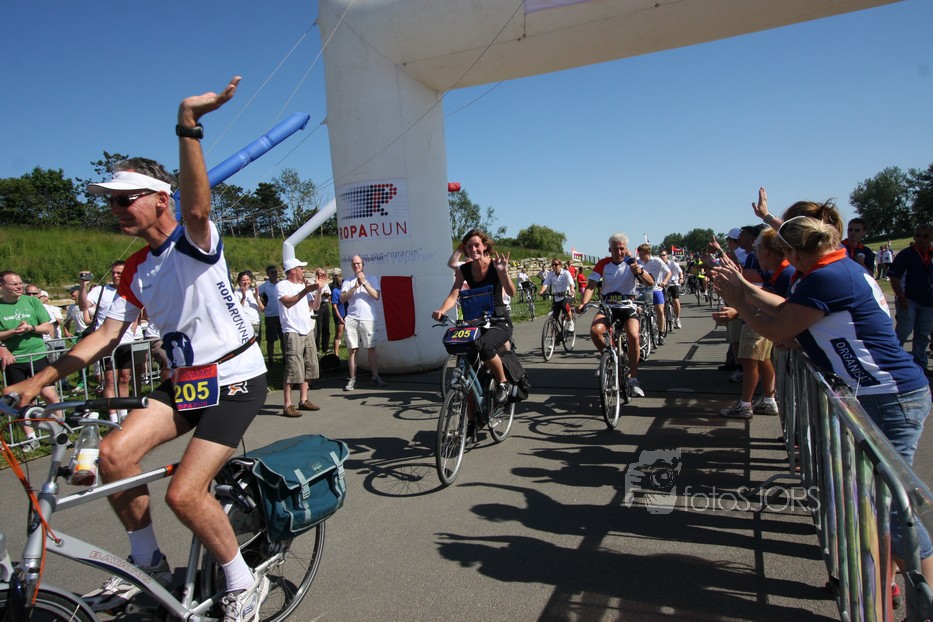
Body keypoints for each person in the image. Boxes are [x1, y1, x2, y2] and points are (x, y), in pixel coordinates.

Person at [4, 77, 272, 619]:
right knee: (112, 455)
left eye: (126, 199)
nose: (116, 208)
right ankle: (148, 565)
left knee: (184, 493)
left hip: (237, 379)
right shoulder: (133, 268)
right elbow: (104, 336)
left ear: (161, 198)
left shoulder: (193, 241)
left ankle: (243, 580)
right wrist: (38, 380)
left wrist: (188, 125)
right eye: (110, 201)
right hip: (188, 382)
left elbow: (199, 211)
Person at [712, 208, 933, 586]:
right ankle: (880, 582)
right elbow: (788, 310)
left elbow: (778, 328)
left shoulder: (828, 277)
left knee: (893, 506)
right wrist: (746, 292)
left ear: (795, 254)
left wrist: (740, 299)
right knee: (872, 499)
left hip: (889, 397)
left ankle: (920, 593)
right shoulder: (830, 269)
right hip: (878, 394)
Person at [432, 229, 516, 437]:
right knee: (468, 377)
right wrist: (442, 310)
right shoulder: (465, 270)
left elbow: (511, 292)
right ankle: (470, 424)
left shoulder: (495, 266)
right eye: (469, 246)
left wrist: (503, 273)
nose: (473, 249)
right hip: (475, 322)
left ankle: (503, 383)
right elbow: (454, 294)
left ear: (484, 246)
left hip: (498, 321)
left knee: (486, 347)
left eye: (477, 245)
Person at [576, 233, 654, 397]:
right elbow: (591, 286)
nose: (619, 252)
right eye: (615, 248)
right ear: (609, 249)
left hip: (627, 306)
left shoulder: (632, 262)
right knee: (595, 331)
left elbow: (650, 282)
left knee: (633, 336)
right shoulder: (603, 263)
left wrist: (640, 272)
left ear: (626, 249)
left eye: (622, 248)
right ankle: (608, 356)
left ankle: (633, 379)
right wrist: (583, 302)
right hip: (608, 306)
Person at [0, 272, 59, 451]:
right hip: (14, 360)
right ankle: (31, 437)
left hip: (38, 355)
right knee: (22, 401)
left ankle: (59, 430)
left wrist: (30, 328)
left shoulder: (32, 301)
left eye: (20, 283)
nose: (19, 286)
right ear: (2, 286)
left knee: (50, 395)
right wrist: (12, 333)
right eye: (14, 284)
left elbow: (47, 327)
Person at [79, 261, 138, 422]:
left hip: (126, 342)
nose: (115, 276)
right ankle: (112, 416)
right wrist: (83, 286)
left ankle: (123, 413)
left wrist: (134, 326)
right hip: (107, 342)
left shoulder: (132, 289)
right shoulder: (100, 291)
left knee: (125, 378)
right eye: (113, 273)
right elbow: (83, 306)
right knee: (110, 380)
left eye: (119, 273)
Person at [277, 257, 326, 416]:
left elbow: (315, 307)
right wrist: (306, 290)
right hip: (292, 331)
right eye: (301, 268)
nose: (303, 270)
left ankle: (303, 400)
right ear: (293, 270)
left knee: (309, 366)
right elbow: (287, 302)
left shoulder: (302, 286)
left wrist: (318, 290)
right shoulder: (282, 285)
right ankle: (287, 404)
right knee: (292, 368)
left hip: (307, 330)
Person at [887, 224, 933, 371]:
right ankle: (894, 362)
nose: (921, 239)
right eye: (918, 235)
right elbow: (894, 276)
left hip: (929, 301)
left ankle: (920, 365)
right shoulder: (906, 254)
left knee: (923, 334)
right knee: (903, 331)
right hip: (909, 299)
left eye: (925, 236)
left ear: (931, 238)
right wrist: (900, 296)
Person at [340, 255, 385, 390]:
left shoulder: (371, 278)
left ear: (363, 265)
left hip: (368, 318)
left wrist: (364, 283)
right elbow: (342, 299)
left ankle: (375, 377)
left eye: (358, 263)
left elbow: (376, 296)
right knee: (352, 349)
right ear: (351, 266)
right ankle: (352, 379)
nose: (356, 266)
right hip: (352, 318)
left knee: (371, 348)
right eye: (354, 264)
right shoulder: (348, 281)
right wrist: (355, 287)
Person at [635, 243, 671, 345]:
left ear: (647, 253)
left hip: (656, 288)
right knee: (637, 310)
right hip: (642, 289)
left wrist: (664, 282)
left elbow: (668, 272)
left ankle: (661, 334)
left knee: (660, 310)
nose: (639, 255)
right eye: (639, 254)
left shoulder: (657, 261)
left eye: (641, 254)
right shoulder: (638, 261)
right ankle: (641, 329)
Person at [257, 265, 285, 365]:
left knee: (283, 338)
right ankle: (270, 359)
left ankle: (285, 357)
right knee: (270, 339)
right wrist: (262, 303)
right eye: (272, 272)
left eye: (275, 272)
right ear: (268, 274)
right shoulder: (264, 286)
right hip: (270, 315)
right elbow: (256, 295)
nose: (274, 274)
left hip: (282, 315)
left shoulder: (281, 284)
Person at [538, 258, 575, 330]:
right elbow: (545, 283)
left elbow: (571, 283)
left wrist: (572, 290)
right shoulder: (551, 274)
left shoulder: (566, 273)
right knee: (554, 316)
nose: (554, 266)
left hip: (567, 295)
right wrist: (541, 291)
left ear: (560, 265)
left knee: (565, 306)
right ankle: (556, 334)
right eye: (552, 265)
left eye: (556, 264)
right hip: (557, 296)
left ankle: (570, 322)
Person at [235, 270, 264, 342]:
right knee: (247, 343)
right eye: (243, 280)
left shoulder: (253, 291)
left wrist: (257, 298)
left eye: (248, 280)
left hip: (256, 323)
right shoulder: (236, 293)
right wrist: (243, 297)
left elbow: (262, 309)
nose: (246, 282)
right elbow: (237, 310)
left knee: (257, 343)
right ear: (239, 282)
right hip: (245, 324)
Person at [660, 250, 683, 328]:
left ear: (667, 256)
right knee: (661, 302)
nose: (662, 257)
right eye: (660, 255)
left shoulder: (673, 264)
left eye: (663, 255)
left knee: (675, 300)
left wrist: (681, 278)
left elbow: (680, 272)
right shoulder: (659, 264)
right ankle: (663, 319)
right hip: (663, 284)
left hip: (673, 283)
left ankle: (677, 319)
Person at [313, 267, 332, 355]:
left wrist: (326, 295)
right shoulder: (314, 284)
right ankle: (317, 348)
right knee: (318, 328)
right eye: (320, 273)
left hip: (325, 305)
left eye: (323, 273)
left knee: (326, 327)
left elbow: (329, 294)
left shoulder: (326, 284)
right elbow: (314, 295)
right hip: (318, 306)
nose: (322, 275)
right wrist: (322, 294)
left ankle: (325, 347)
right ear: (317, 275)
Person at [331, 270, 346, 356]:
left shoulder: (346, 290)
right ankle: (336, 354)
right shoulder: (335, 291)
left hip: (347, 314)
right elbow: (334, 306)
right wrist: (340, 317)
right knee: (339, 335)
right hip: (340, 314)